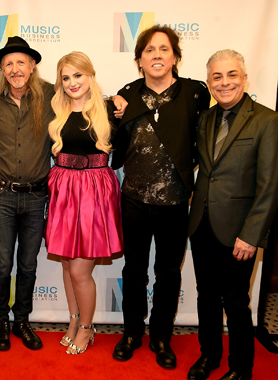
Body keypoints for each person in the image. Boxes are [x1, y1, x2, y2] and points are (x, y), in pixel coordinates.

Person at [111, 25, 211, 369]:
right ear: (139, 59)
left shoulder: (196, 94)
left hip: (175, 202)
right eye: (149, 50)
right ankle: (132, 334)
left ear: (175, 57)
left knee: (168, 273)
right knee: (134, 269)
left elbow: (203, 143)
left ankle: (161, 337)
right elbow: (114, 143)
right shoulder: (126, 95)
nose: (156, 55)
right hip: (134, 200)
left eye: (163, 49)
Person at [187, 49, 278, 380]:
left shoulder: (267, 121)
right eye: (217, 77)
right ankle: (209, 356)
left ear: (244, 77)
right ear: (209, 82)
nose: (224, 83)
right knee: (206, 297)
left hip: (239, 231)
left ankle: (242, 368)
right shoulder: (205, 119)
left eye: (231, 75)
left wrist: (251, 235)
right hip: (201, 224)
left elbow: (270, 186)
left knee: (237, 303)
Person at [45, 52, 123, 355]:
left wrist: (121, 98)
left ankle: (88, 329)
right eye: (66, 77)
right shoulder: (57, 112)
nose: (72, 82)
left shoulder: (109, 109)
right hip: (64, 192)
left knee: (79, 271)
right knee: (66, 265)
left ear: (90, 75)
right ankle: (74, 320)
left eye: (78, 75)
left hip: (93, 194)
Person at [0, 36, 56, 351]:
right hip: (2, 195)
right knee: (1, 264)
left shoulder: (52, 95)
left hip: (38, 195)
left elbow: (87, 98)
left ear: (32, 65)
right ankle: (0, 320)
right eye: (8, 63)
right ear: (2, 68)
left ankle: (21, 321)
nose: (15, 69)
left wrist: (117, 101)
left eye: (20, 62)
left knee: (28, 265)